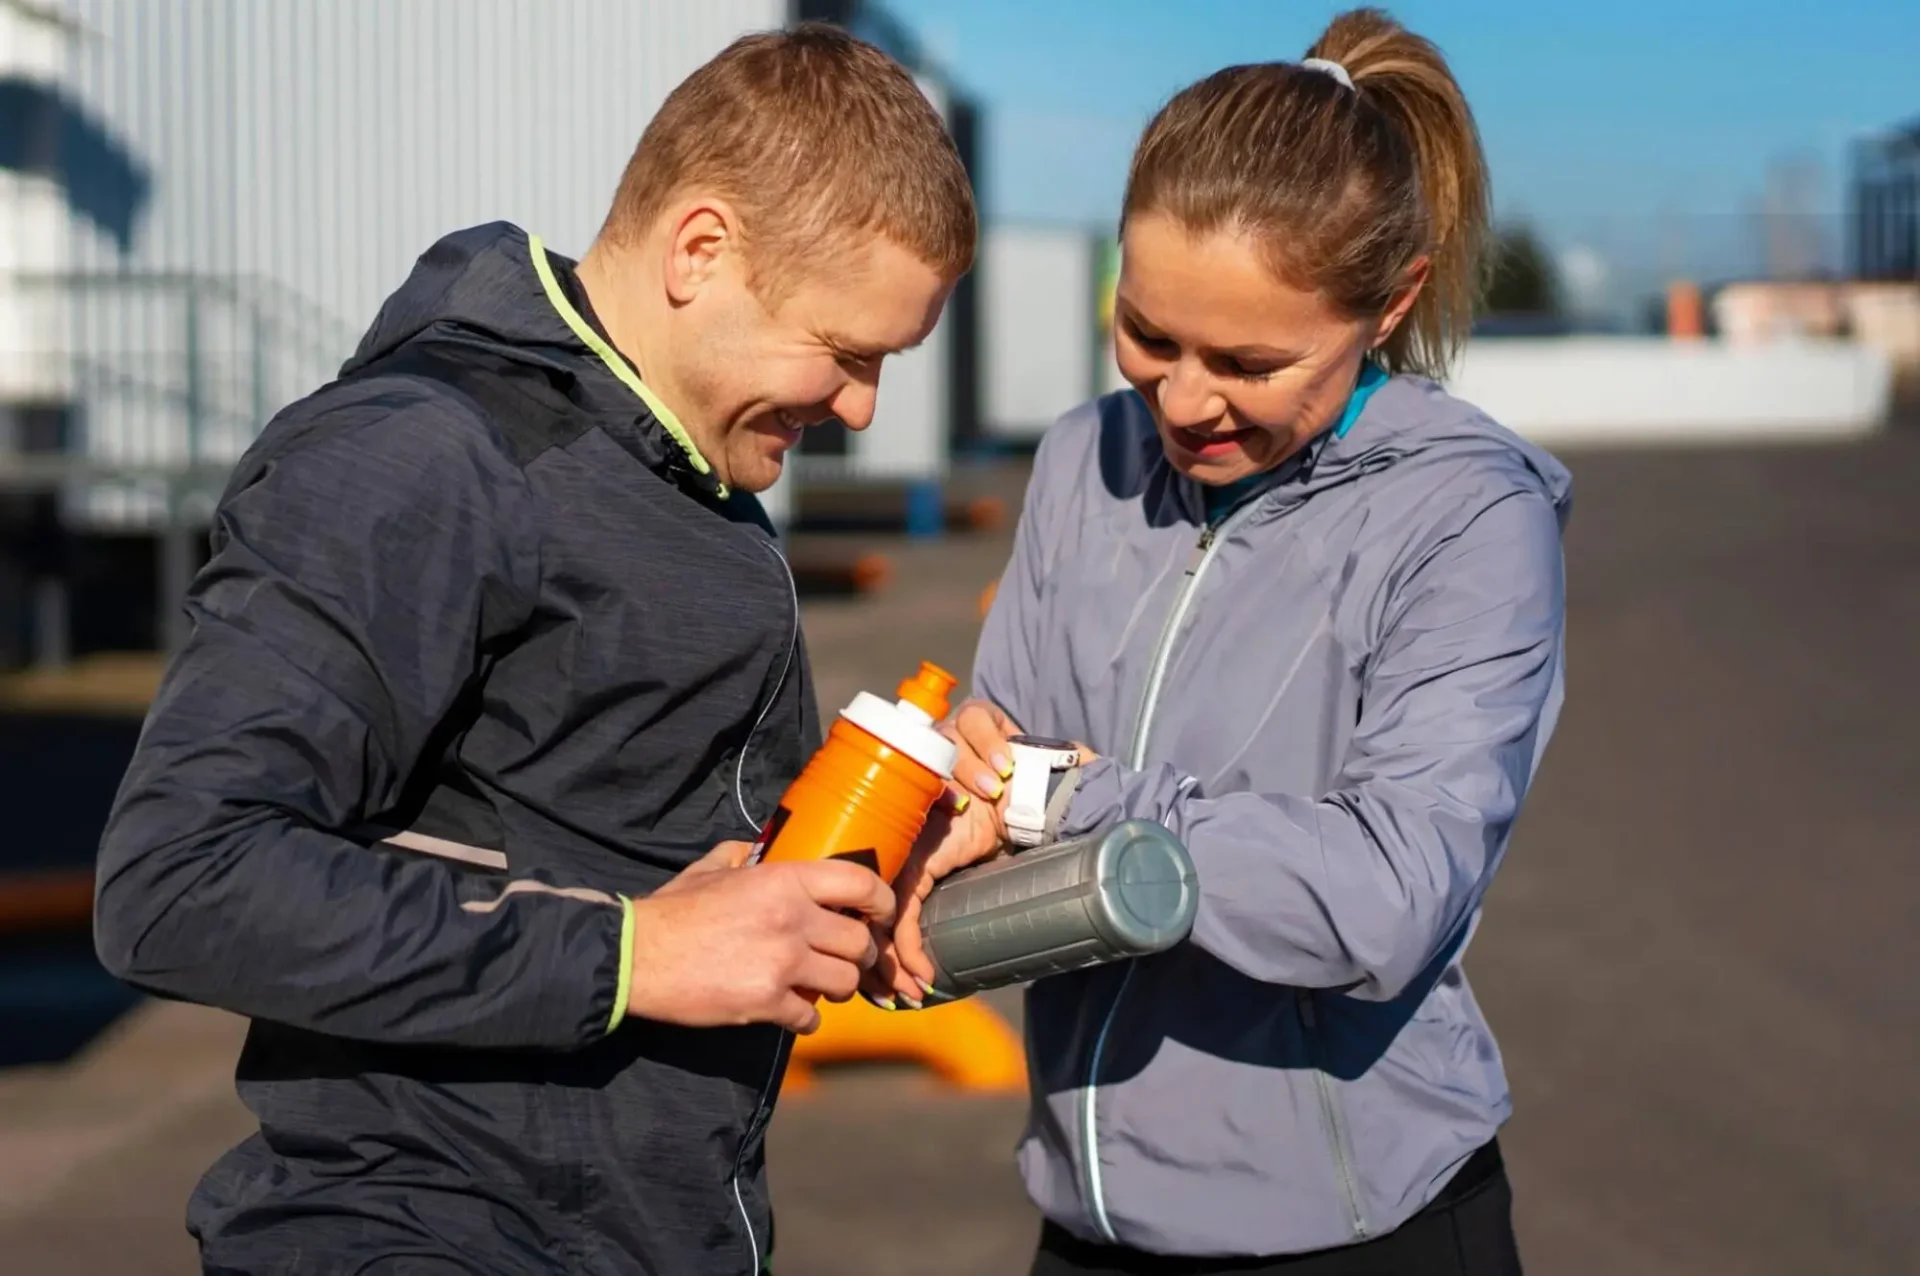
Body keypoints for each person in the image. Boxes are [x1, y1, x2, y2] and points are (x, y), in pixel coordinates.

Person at [92, 24, 974, 1276]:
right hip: (425, 1232)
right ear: (702, 249)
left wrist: (898, 835)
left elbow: (671, 853)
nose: (862, 408)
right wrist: (638, 954)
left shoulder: (695, 488)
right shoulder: (420, 457)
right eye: (847, 352)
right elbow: (180, 881)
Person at [879, 9, 1570, 1274]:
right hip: (1088, 1231)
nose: (1183, 401)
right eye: (1148, 334)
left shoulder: (1471, 515)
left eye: (1249, 361)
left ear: (1391, 301)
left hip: (1361, 1236)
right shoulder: (1082, 458)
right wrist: (927, 857)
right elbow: (1009, 812)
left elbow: (1382, 897)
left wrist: (1063, 796)